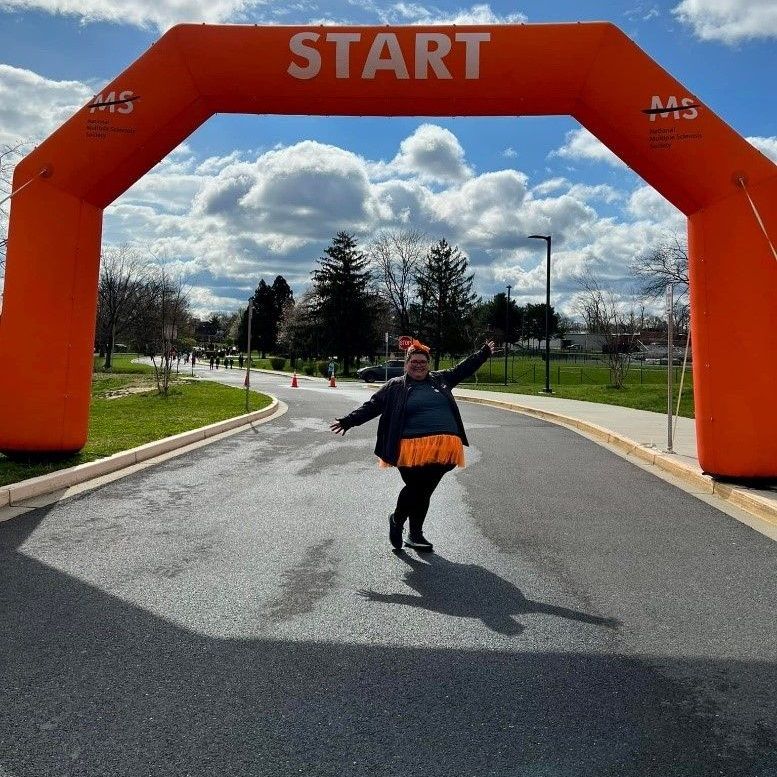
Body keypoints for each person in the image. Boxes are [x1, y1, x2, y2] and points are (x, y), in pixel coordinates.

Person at [330, 338, 495, 552]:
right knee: (419, 489)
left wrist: (482, 354)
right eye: (414, 362)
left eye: (422, 362)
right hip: (409, 449)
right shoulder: (395, 386)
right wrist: (348, 421)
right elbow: (372, 406)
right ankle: (402, 524)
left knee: (423, 490)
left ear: (428, 363)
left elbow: (464, 368)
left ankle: (409, 530)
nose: (418, 365)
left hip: (444, 448)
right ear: (406, 364)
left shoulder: (441, 379)